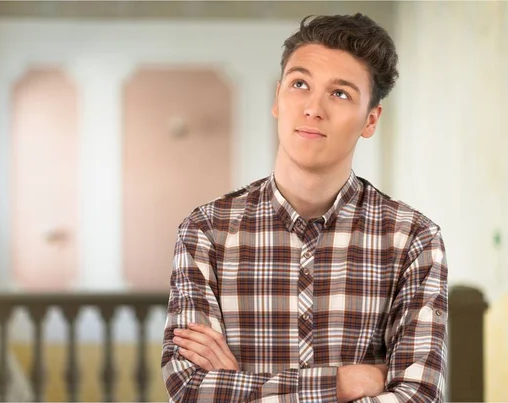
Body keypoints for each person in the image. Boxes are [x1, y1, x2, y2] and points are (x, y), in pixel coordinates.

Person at [161, 13, 448, 403]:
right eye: (300, 84)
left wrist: (239, 386)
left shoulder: (413, 239)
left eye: (340, 93)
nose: (313, 108)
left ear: (370, 119)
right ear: (278, 98)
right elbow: (189, 388)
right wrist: (344, 384)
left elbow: (418, 395)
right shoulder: (206, 230)